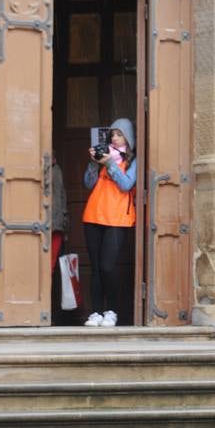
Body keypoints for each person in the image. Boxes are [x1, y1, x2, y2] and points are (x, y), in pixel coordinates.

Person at [82, 118, 137, 327]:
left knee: (108, 267)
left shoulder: (133, 161)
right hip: (93, 216)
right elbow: (87, 184)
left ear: (128, 138)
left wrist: (110, 164)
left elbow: (126, 185)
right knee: (96, 267)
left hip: (117, 219)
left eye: (119, 134)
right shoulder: (105, 156)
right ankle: (95, 312)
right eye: (112, 134)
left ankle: (111, 311)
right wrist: (93, 163)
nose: (114, 138)